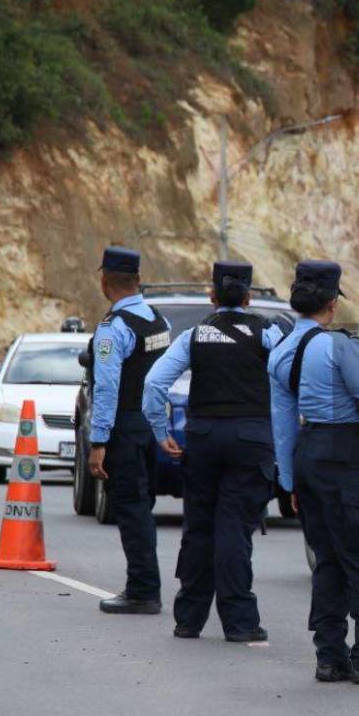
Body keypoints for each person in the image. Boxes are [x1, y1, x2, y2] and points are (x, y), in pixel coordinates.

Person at [269, 261, 359, 685]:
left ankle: (329, 657)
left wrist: (290, 481)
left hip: (310, 459)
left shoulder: (280, 353)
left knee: (327, 561)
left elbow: (283, 422)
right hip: (350, 458)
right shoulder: (340, 348)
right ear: (332, 303)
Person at [141, 262, 283, 642]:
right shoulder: (267, 333)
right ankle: (240, 623)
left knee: (199, 527)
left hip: (202, 439)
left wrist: (161, 431)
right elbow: (289, 381)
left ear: (212, 295)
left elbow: (155, 383)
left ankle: (188, 619)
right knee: (235, 529)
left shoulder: (194, 335)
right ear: (250, 297)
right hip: (252, 440)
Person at [88, 247, 173, 614]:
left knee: (131, 508)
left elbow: (106, 387)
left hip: (124, 426)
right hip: (151, 426)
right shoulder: (159, 321)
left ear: (105, 282)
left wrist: (98, 441)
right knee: (143, 505)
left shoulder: (113, 329)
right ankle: (144, 585)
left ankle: (143, 590)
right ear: (138, 281)